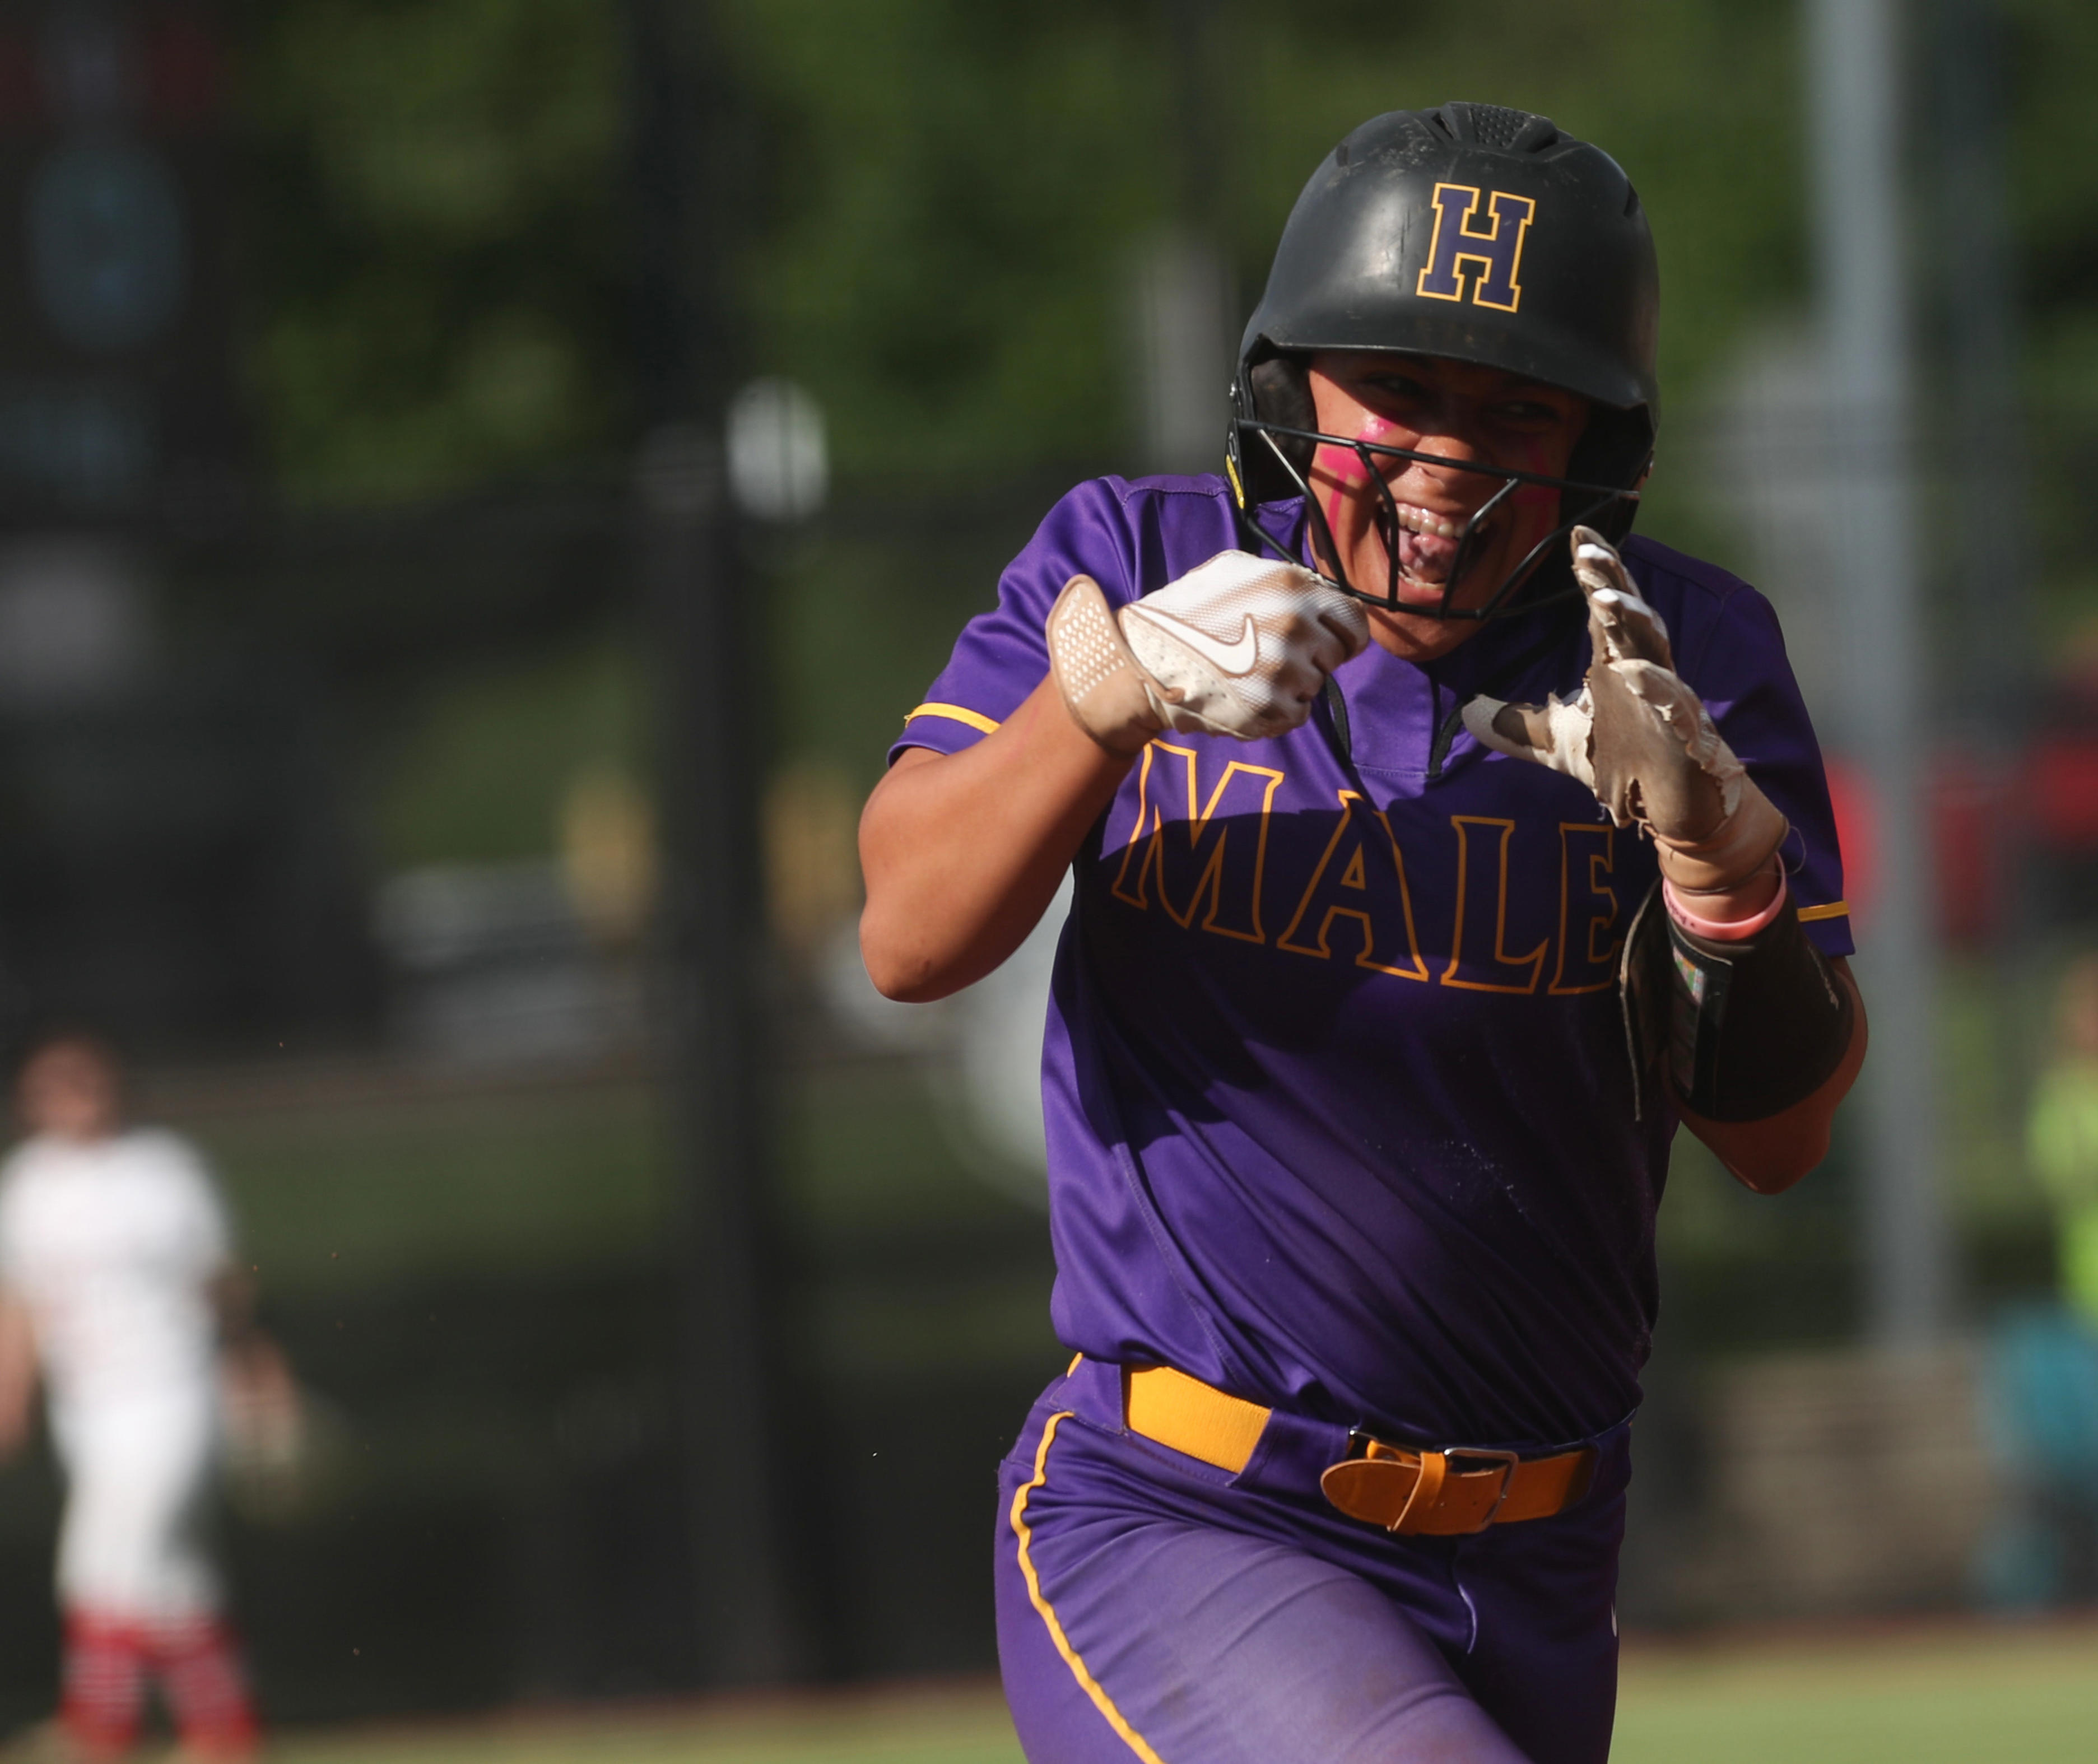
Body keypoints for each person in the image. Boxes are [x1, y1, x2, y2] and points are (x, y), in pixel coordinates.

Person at [860, 102, 1867, 1763]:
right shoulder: (1133, 557)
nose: (1447, 459)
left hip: (1543, 1551)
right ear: (1288, 387)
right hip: (1185, 1511)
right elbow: (906, 927)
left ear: (1597, 440)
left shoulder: (1682, 653)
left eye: (1512, 409)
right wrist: (1102, 702)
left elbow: (1778, 1133)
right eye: (1395, 391)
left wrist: (1726, 882)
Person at [0, 1032, 284, 1761]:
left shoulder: (165, 1169)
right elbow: (19, 1301)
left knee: (102, 1558)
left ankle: (99, 1724)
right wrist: (11, 1394)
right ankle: (224, 1730)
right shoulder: (29, 1182)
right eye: (52, 1087)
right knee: (174, 1571)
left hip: (171, 1389)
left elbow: (221, 1280)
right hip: (86, 1404)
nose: (71, 1098)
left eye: (84, 1081)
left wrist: (255, 1362)